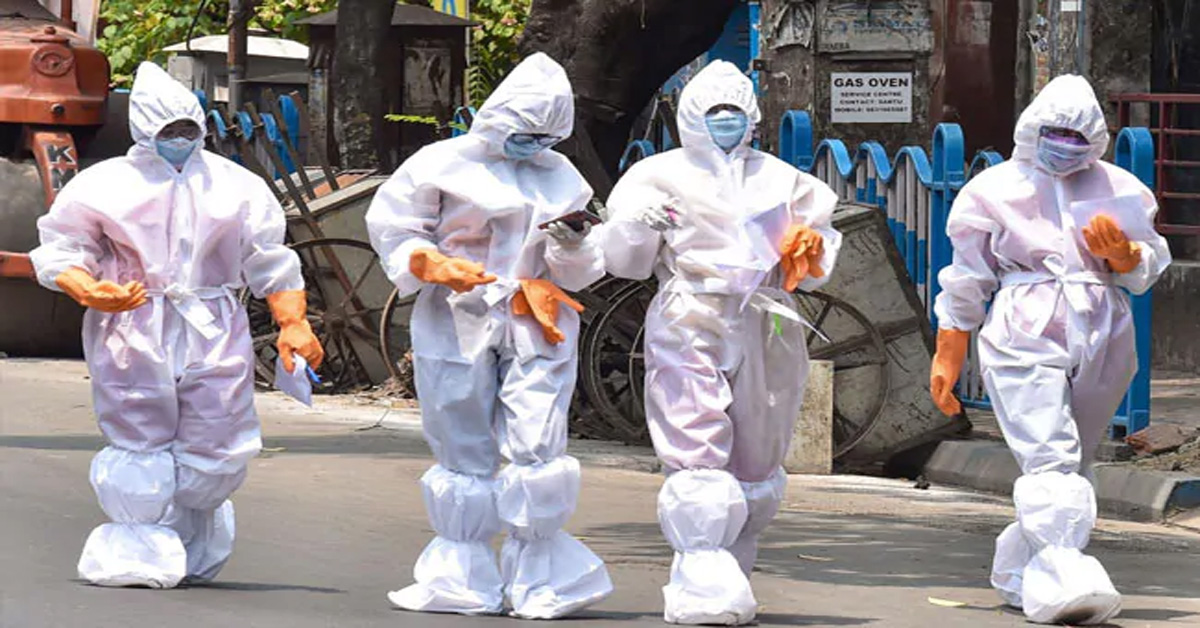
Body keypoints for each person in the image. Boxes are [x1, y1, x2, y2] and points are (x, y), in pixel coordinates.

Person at [30, 61, 323, 589]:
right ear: (145, 128)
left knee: (219, 437)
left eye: (188, 128)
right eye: (169, 129)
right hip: (134, 320)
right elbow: (62, 246)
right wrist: (87, 287)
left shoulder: (237, 185)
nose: (180, 138)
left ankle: (187, 534)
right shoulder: (104, 184)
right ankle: (136, 548)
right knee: (138, 430)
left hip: (213, 321)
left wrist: (293, 323)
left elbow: (270, 260)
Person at [365, 52, 613, 619]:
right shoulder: (440, 163)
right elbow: (396, 227)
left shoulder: (561, 174)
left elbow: (581, 268)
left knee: (539, 438)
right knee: (461, 435)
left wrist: (573, 243)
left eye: (544, 136)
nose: (533, 144)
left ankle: (541, 579)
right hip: (459, 311)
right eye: (525, 132)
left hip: (535, 312)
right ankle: (461, 576)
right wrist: (430, 263)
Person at [597, 60, 841, 625]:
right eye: (714, 112)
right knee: (695, 437)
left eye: (734, 110)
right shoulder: (655, 177)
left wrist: (808, 250)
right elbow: (626, 262)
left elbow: (818, 259)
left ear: (752, 115)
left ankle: (732, 572)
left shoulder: (786, 180)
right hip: (691, 312)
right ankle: (702, 576)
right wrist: (636, 226)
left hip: (767, 315)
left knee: (760, 446)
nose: (725, 120)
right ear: (691, 116)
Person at [930, 75, 1171, 625]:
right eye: (1054, 133)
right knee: (1051, 458)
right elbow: (968, 275)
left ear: (1096, 139)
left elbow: (1149, 264)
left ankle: (1019, 570)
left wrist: (1126, 256)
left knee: (1073, 460)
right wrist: (950, 347)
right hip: (1023, 326)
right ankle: (1065, 576)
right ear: (1032, 130)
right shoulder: (993, 190)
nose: (1065, 145)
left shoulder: (1121, 188)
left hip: (1103, 327)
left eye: (1076, 136)